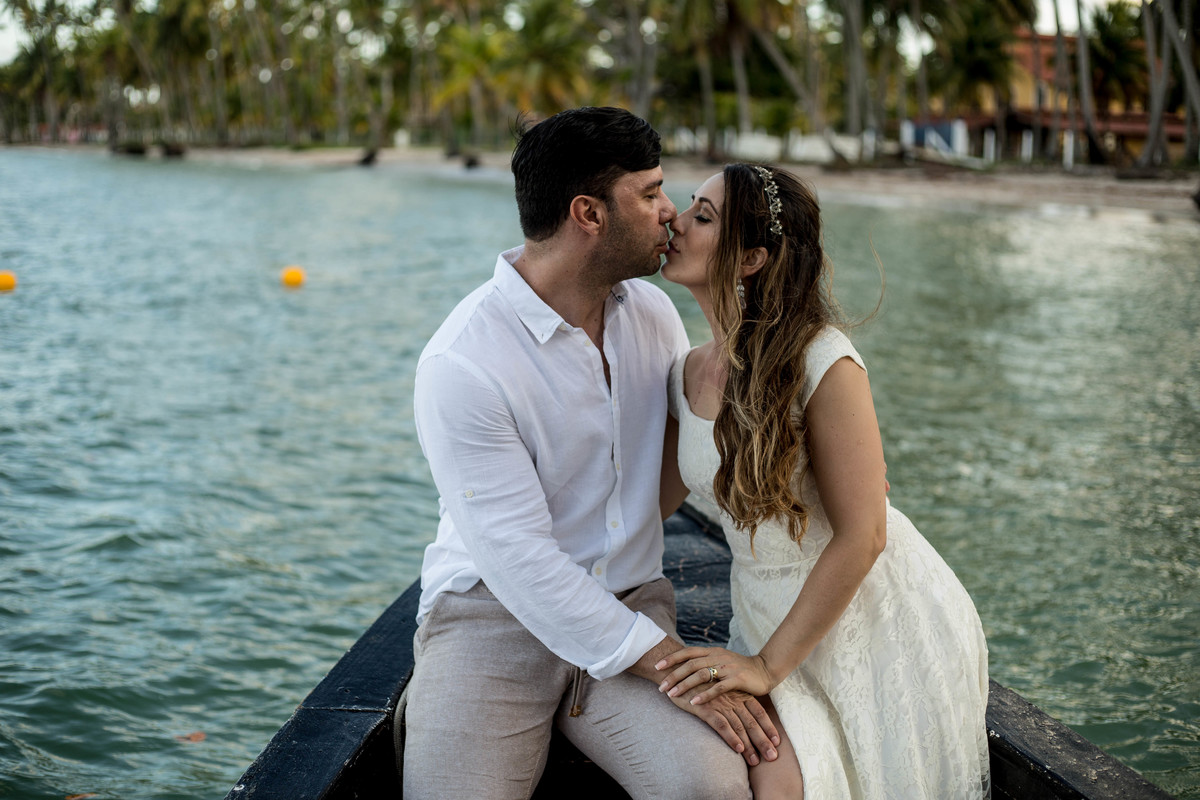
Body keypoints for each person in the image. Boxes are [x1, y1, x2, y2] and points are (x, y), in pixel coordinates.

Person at [398, 108, 779, 800]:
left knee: (712, 787)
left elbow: (660, 485)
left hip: (633, 604)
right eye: (651, 192)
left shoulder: (655, 315)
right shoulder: (463, 363)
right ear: (589, 214)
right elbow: (519, 558)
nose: (670, 212)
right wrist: (674, 665)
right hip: (496, 616)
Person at [655, 163, 991, 799]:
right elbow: (646, 508)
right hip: (761, 615)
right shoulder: (683, 375)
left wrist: (764, 667)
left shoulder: (822, 360)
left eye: (702, 216)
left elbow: (864, 534)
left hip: (864, 612)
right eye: (687, 205)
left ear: (751, 257)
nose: (675, 218)